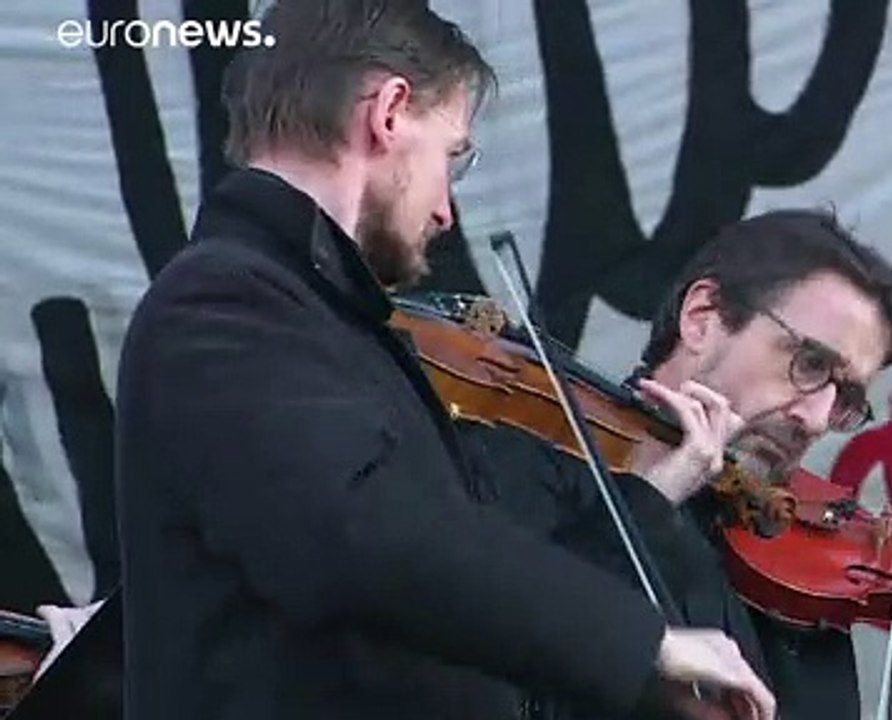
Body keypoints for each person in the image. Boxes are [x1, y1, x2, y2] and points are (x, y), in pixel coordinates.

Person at [111, 2, 775, 719]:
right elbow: (358, 538)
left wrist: (637, 651)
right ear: (389, 112)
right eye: (452, 155)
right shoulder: (224, 303)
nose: (445, 212)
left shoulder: (319, 318)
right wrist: (643, 644)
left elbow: (453, 585)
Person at [444, 208, 892, 719]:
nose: (814, 418)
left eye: (846, 398)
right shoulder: (516, 465)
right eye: (807, 364)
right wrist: (655, 493)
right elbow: (494, 679)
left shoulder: (801, 591)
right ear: (703, 318)